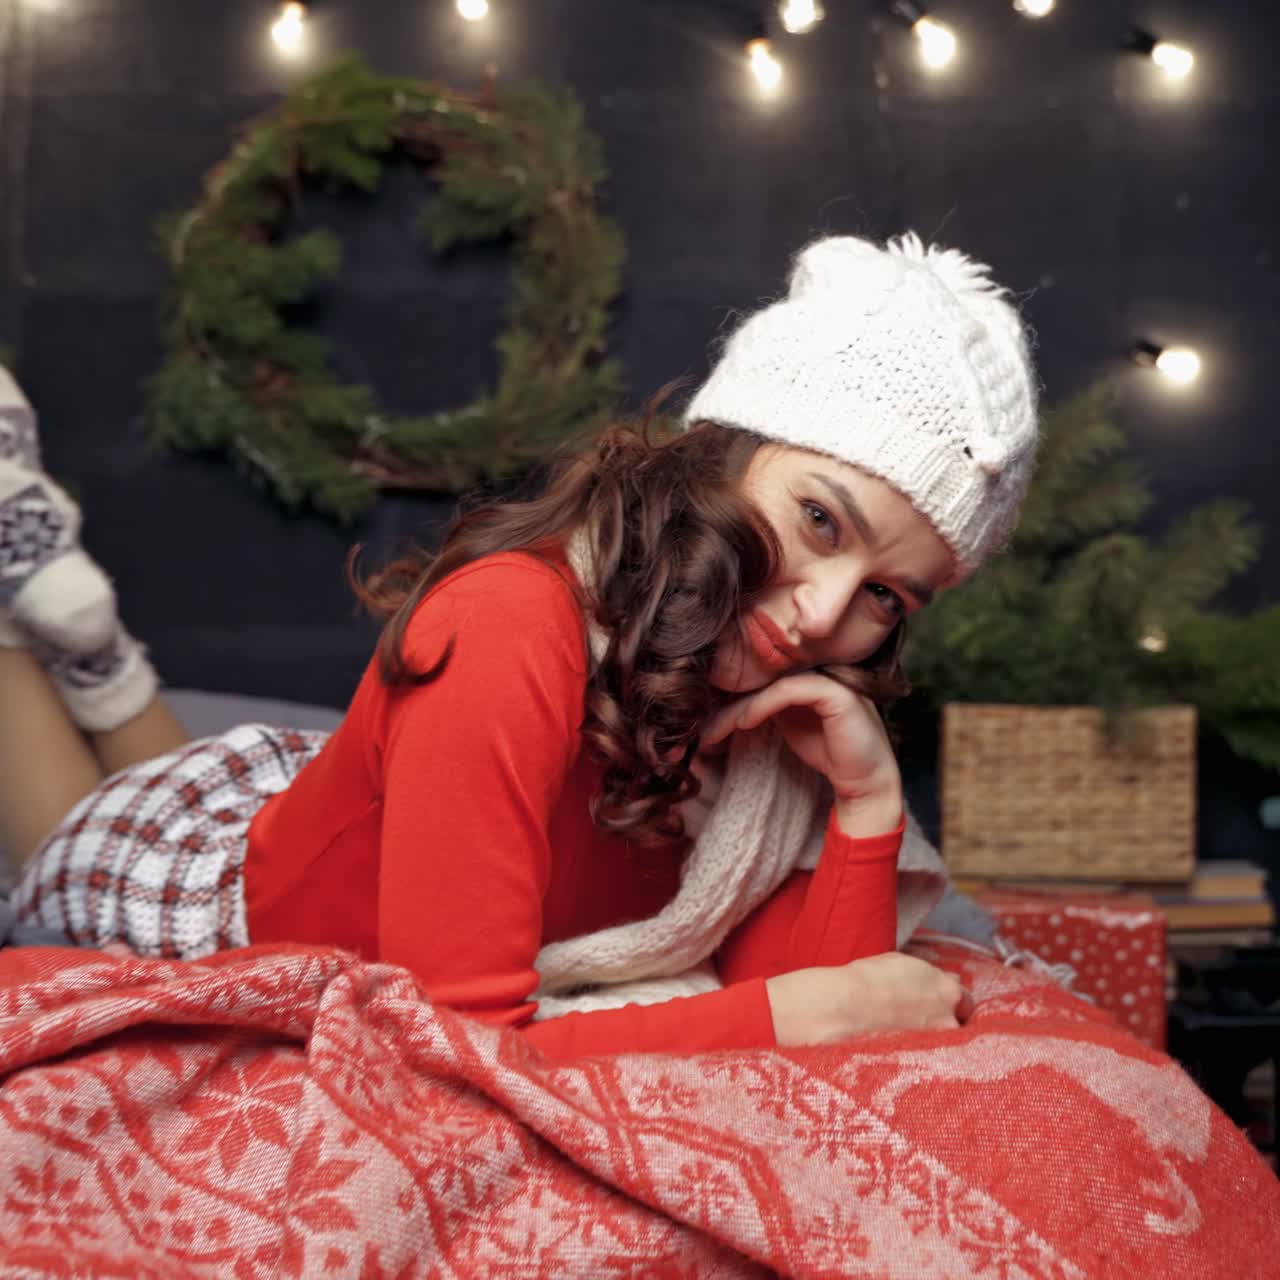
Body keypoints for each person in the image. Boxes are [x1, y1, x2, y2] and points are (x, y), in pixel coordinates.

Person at [0, 232, 1038, 1062]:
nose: (823, 614)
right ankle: (52, 622)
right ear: (718, 455)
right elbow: (460, 1042)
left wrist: (866, 806)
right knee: (47, 837)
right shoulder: (509, 620)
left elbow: (813, 1001)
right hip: (188, 889)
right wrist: (794, 1018)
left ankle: (89, 653)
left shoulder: (772, 699)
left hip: (337, 825)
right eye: (820, 519)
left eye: (886, 596)